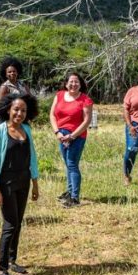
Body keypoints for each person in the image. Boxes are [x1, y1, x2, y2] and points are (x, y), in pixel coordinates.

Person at [0, 92, 40, 275]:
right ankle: (0, 270)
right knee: (9, 225)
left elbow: (32, 157)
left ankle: (11, 260)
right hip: (6, 183)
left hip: (23, 181)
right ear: (8, 110)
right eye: (16, 109)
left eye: (23, 110)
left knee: (18, 223)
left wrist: (35, 183)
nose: (19, 113)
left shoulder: (26, 129)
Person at [50, 72, 93, 207]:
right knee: (68, 164)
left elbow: (87, 121)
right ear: (66, 83)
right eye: (71, 82)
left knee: (72, 164)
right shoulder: (59, 95)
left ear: (80, 84)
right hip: (61, 134)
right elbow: (52, 115)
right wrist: (57, 132)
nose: (73, 84)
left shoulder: (85, 100)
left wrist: (72, 136)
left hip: (77, 135)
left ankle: (75, 198)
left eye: (76, 82)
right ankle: (69, 192)